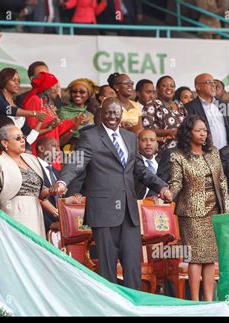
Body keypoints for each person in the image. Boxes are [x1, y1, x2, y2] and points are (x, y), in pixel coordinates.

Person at [51, 97, 171, 290]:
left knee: (133, 267)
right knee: (108, 269)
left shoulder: (131, 137)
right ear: (101, 114)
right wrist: (63, 181)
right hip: (104, 211)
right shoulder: (90, 137)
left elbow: (139, 169)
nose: (112, 116)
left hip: (129, 212)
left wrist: (161, 187)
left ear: (121, 114)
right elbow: (77, 163)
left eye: (116, 112)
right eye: (108, 112)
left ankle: (134, 307)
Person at [169, 115, 229, 301]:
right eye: (198, 130)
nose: (203, 134)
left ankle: (209, 300)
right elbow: (176, 182)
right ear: (188, 133)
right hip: (191, 212)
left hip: (214, 210)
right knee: (195, 257)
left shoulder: (213, 152)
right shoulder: (178, 155)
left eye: (205, 130)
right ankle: (195, 302)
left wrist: (226, 208)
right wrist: (168, 194)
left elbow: (222, 180)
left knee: (210, 256)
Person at [0, 124, 50, 238]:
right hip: (14, 213)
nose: (23, 140)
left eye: (23, 137)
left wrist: (52, 190)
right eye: (18, 138)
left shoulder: (32, 159)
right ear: (5, 143)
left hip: (35, 212)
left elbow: (40, 192)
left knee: (36, 250)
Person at [23, 71, 82, 165]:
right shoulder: (35, 100)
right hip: (41, 151)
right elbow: (32, 131)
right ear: (47, 88)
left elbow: (56, 130)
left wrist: (74, 121)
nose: (58, 90)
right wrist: (49, 127)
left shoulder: (47, 103)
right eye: (55, 86)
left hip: (52, 151)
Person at [0, 67, 47, 145]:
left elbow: (28, 136)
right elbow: (9, 110)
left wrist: (42, 121)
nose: (17, 83)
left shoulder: (18, 105)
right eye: (13, 80)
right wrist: (35, 113)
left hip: (17, 148)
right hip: (0, 146)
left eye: (18, 81)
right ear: (4, 81)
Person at [185, 73, 229, 149]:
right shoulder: (189, 107)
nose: (213, 85)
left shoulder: (224, 105)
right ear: (198, 87)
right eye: (209, 82)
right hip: (204, 152)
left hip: (227, 153)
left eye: (214, 83)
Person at [142, 75, 188, 151]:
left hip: (183, 149)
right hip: (163, 151)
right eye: (164, 86)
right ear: (157, 89)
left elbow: (188, 124)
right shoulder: (152, 105)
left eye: (172, 86)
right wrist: (169, 132)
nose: (169, 88)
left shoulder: (180, 105)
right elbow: (146, 130)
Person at [58, 78, 97, 146]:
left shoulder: (90, 115)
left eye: (82, 92)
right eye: (74, 91)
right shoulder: (62, 111)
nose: (77, 94)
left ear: (88, 94)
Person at [36, 137, 61, 231]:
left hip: (59, 225)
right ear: (41, 148)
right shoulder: (32, 168)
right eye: (54, 146)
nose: (58, 150)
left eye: (59, 146)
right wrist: (49, 224)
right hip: (41, 226)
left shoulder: (57, 172)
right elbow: (35, 199)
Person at [135, 129, 159, 199]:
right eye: (144, 140)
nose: (148, 143)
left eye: (152, 140)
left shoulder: (163, 164)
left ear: (157, 144)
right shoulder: (132, 164)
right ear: (137, 143)